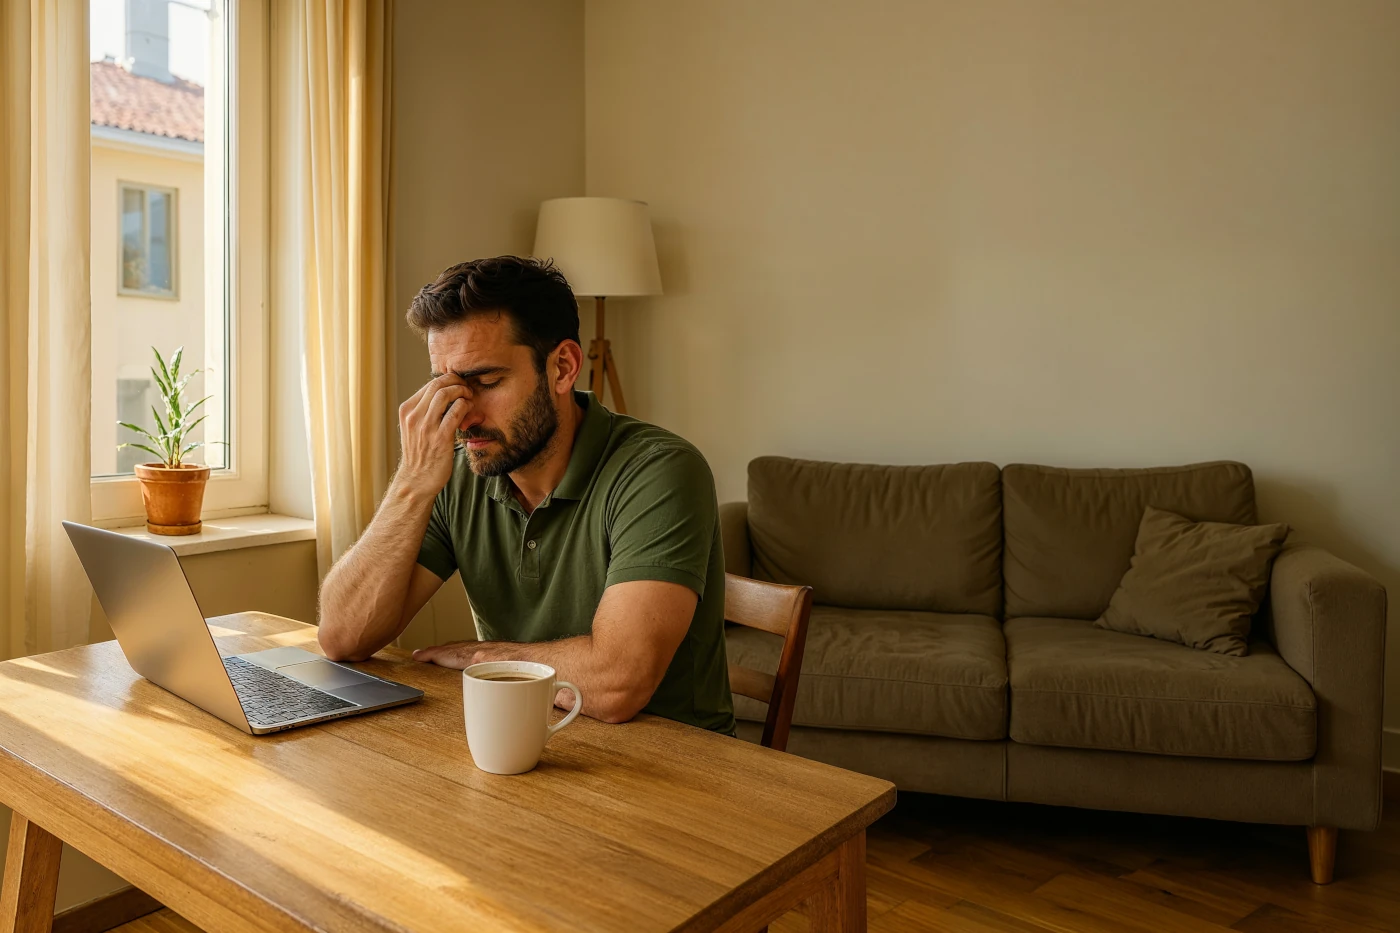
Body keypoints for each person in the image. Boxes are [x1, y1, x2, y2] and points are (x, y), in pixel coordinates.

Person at [317, 256, 735, 734]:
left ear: (562, 367)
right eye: (446, 386)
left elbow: (618, 683)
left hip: (677, 770)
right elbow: (343, 637)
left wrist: (486, 657)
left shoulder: (658, 471)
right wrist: (411, 483)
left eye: (486, 382)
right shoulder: (456, 473)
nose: (462, 414)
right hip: (527, 744)